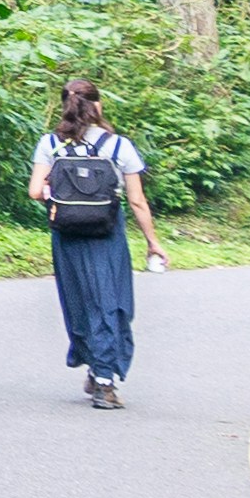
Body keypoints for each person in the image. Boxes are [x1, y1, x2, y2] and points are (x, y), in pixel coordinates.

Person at [31, 75, 160, 408]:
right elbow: (137, 202)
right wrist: (153, 243)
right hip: (107, 233)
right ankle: (104, 380)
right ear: (98, 105)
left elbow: (34, 192)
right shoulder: (120, 147)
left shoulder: (51, 144)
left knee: (79, 300)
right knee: (111, 301)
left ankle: (94, 365)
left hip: (67, 234)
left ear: (66, 105)